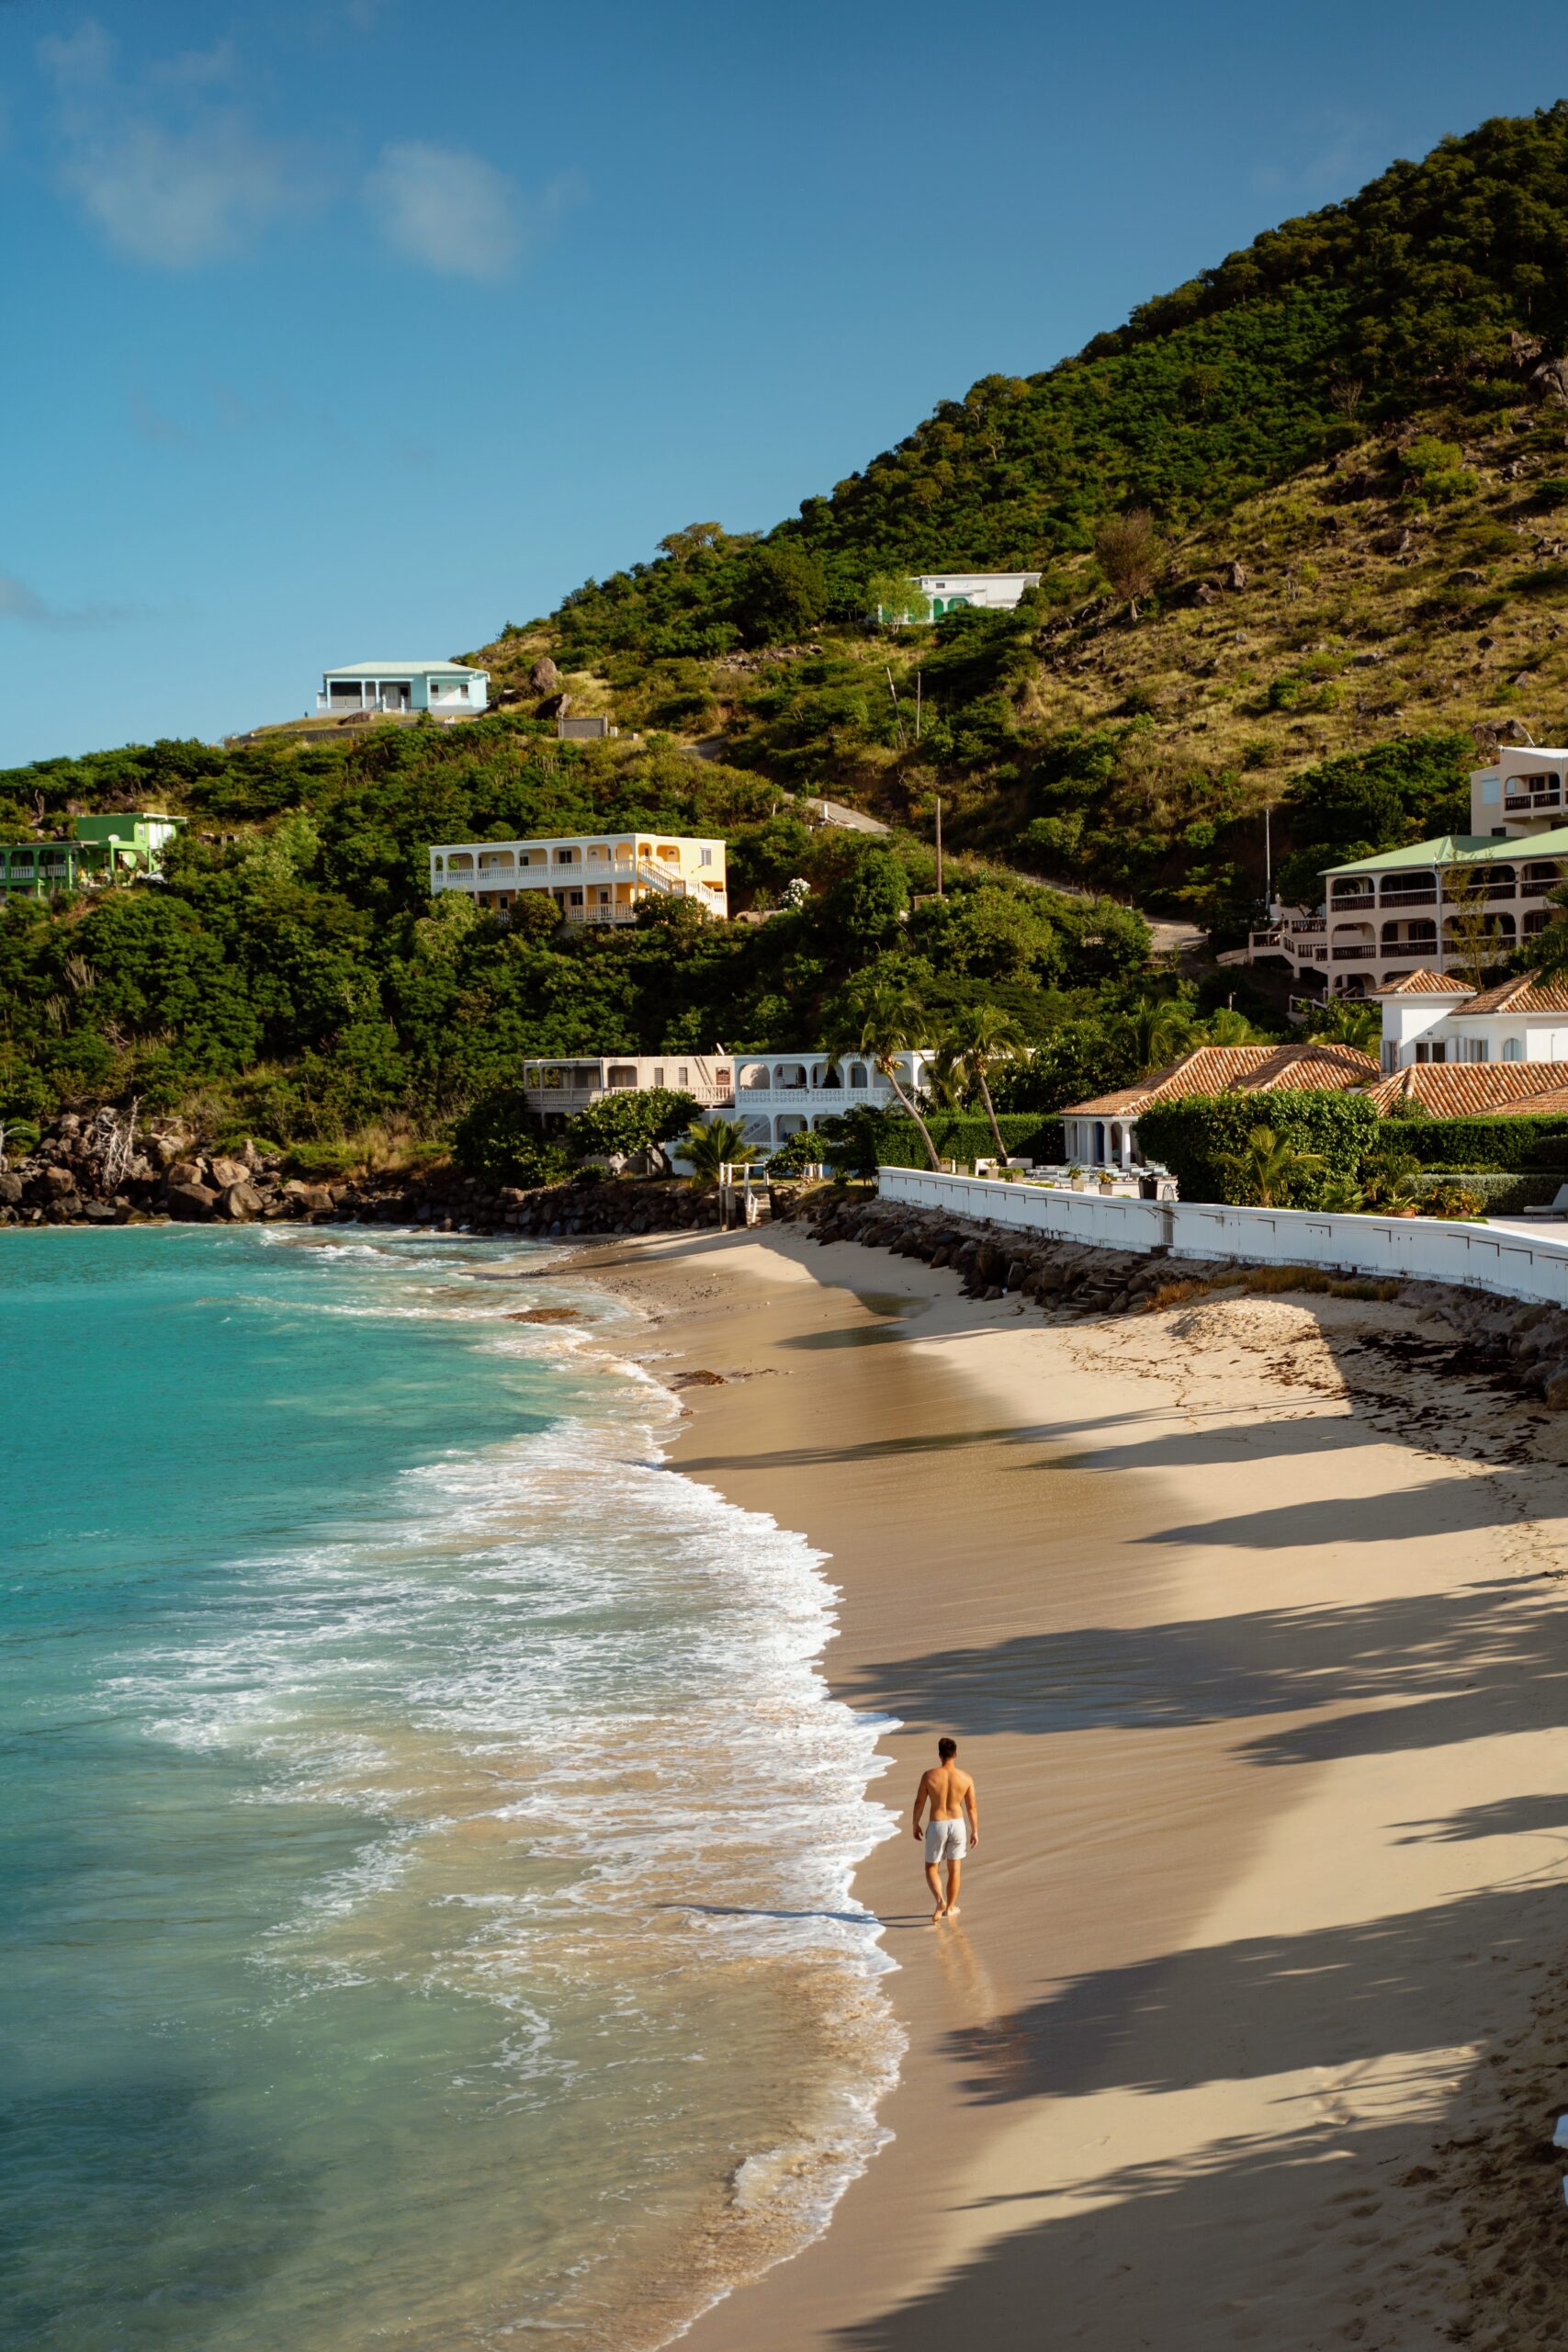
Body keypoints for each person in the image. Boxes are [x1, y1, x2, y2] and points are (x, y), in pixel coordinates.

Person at [912, 1736, 978, 1921]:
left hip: (937, 1824)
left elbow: (919, 1803)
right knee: (954, 1869)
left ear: (939, 1755)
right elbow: (972, 1807)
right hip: (958, 1824)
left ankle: (940, 1900)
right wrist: (975, 1830)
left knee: (931, 1867)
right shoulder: (966, 1778)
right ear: (956, 1754)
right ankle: (950, 1907)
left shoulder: (929, 1776)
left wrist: (915, 1824)